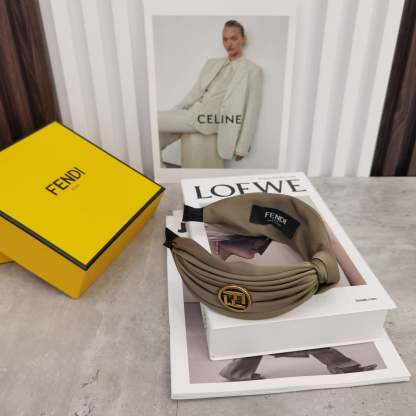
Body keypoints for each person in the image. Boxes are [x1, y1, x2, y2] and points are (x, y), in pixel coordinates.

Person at [158, 20, 263, 168]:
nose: (229, 44)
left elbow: (252, 111)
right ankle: (160, 171)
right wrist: (175, 112)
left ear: (243, 39)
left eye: (233, 38)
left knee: (154, 119)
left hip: (211, 120)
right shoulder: (212, 63)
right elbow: (194, 93)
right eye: (225, 39)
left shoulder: (253, 71)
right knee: (156, 138)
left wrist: (242, 148)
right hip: (192, 113)